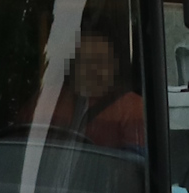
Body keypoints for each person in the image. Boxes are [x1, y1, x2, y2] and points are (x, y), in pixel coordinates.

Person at [37, 16, 147, 150]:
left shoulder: (133, 110)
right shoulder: (47, 100)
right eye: (85, 61)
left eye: (101, 61)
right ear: (72, 66)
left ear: (115, 66)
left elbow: (133, 161)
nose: (94, 70)